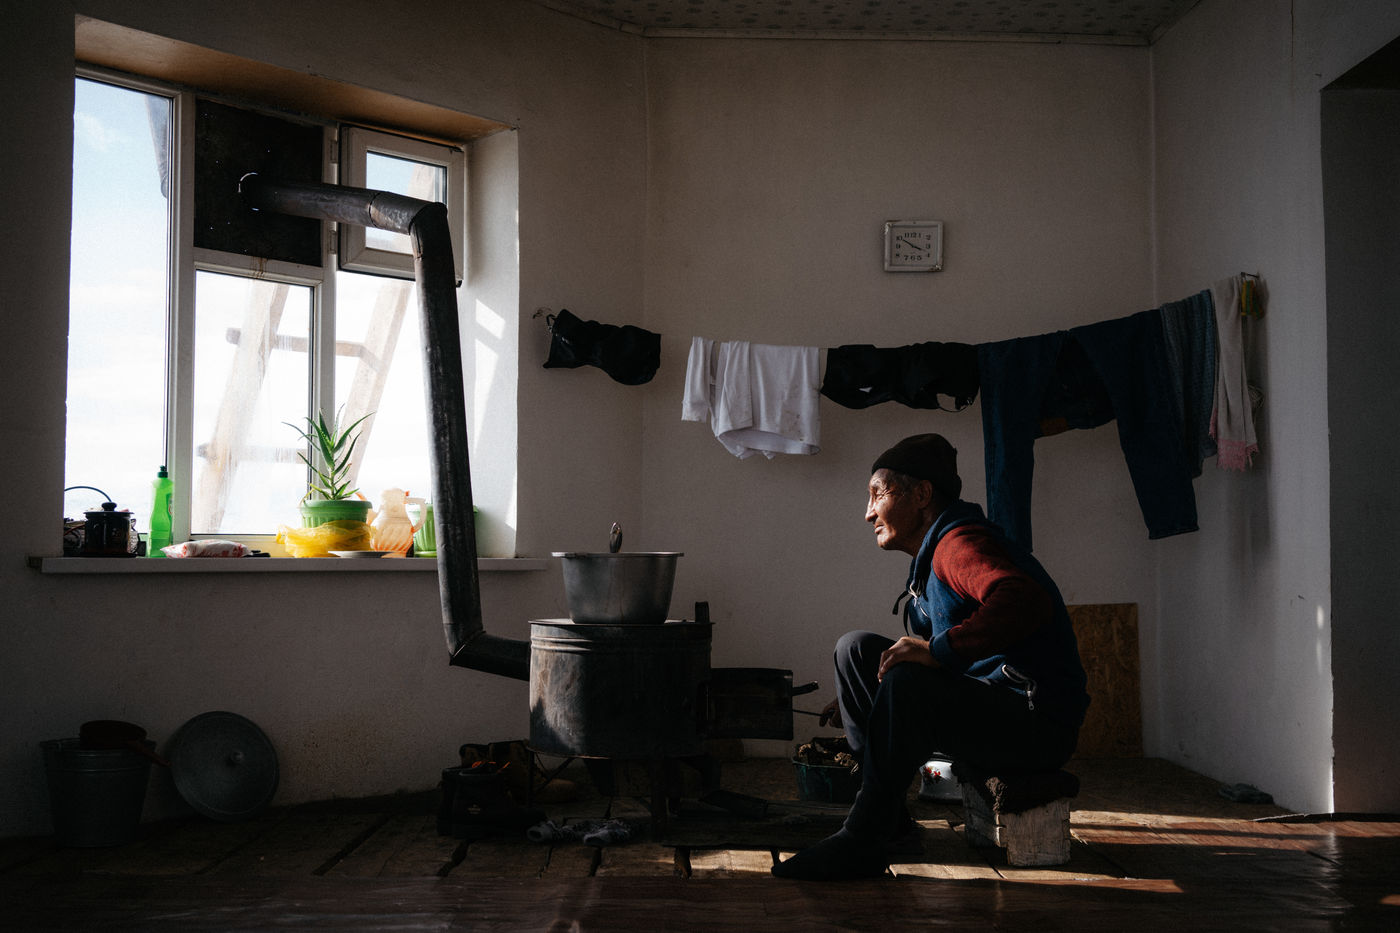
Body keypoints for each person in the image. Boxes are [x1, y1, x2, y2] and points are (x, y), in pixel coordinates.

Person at [771, 433, 1089, 881]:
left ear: (921, 494)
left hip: (1036, 725)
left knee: (906, 680)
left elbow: (1024, 600)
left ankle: (864, 837)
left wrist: (939, 652)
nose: (868, 513)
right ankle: (891, 823)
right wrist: (867, 694)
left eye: (878, 494)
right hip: (993, 709)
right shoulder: (933, 554)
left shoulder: (960, 544)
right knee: (856, 651)